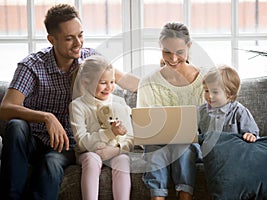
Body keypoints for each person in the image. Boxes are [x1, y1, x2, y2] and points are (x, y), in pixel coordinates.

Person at [0, 4, 138, 200]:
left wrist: (168, 83)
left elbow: (127, 82)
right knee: (16, 126)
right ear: (52, 40)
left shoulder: (90, 60)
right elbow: (5, 109)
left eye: (80, 35)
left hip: (66, 146)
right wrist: (47, 118)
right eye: (69, 38)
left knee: (51, 163)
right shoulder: (32, 65)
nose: (78, 43)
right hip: (34, 140)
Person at [137, 22, 203, 200]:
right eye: (167, 52)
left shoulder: (205, 80)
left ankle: (185, 196)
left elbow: (210, 122)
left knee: (183, 145)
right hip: (158, 144)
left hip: (192, 145)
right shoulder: (148, 82)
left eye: (179, 52)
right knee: (154, 150)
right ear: (160, 48)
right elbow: (143, 129)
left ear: (189, 47)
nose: (173, 59)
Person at [69, 55, 133, 200]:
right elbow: (82, 142)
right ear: (86, 83)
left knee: (122, 160)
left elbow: (130, 138)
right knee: (92, 159)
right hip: (89, 152)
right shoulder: (78, 106)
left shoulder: (119, 102)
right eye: (103, 83)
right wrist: (110, 133)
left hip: (114, 151)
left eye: (112, 82)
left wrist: (116, 149)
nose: (109, 87)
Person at [197, 65, 259, 156]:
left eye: (215, 92)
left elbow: (252, 132)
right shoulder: (201, 111)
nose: (209, 96)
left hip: (231, 153)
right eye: (206, 91)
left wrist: (250, 135)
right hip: (206, 153)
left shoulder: (239, 111)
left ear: (229, 94)